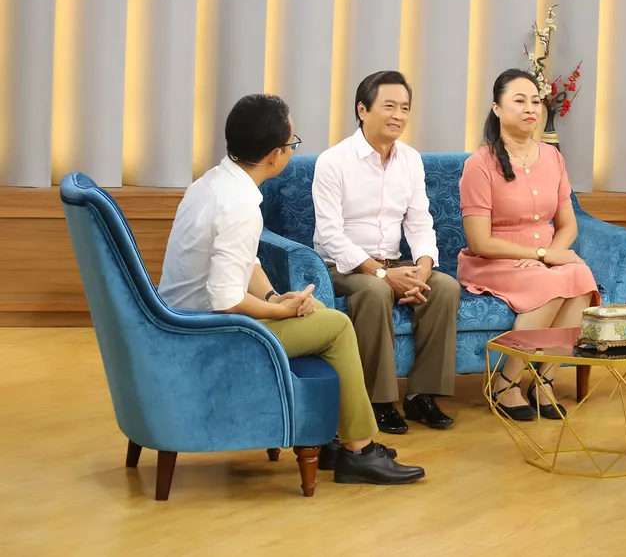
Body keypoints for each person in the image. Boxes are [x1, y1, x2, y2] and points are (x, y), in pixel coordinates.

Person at [157, 94, 424, 485]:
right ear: (274, 155)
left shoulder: (211, 183)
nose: (292, 150)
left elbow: (245, 263)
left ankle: (333, 439)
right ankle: (358, 450)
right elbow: (226, 300)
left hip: (182, 321)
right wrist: (280, 312)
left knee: (321, 316)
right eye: (292, 144)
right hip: (208, 335)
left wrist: (272, 297)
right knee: (336, 326)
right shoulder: (239, 206)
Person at [312, 71, 459, 435]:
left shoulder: (410, 160)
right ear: (362, 110)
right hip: (342, 267)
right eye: (389, 106)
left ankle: (421, 395)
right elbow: (330, 235)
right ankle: (376, 401)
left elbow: (420, 223)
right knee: (376, 291)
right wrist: (380, 273)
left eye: (405, 108)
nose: (398, 115)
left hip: (394, 262)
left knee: (445, 288)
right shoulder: (333, 162)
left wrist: (423, 267)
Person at [457, 68, 600, 422]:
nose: (530, 109)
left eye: (535, 101)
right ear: (496, 108)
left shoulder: (553, 157)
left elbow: (567, 225)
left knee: (581, 278)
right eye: (519, 101)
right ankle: (504, 383)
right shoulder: (480, 164)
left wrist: (550, 257)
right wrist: (539, 256)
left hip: (542, 260)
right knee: (549, 283)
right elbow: (480, 241)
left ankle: (543, 380)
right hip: (495, 260)